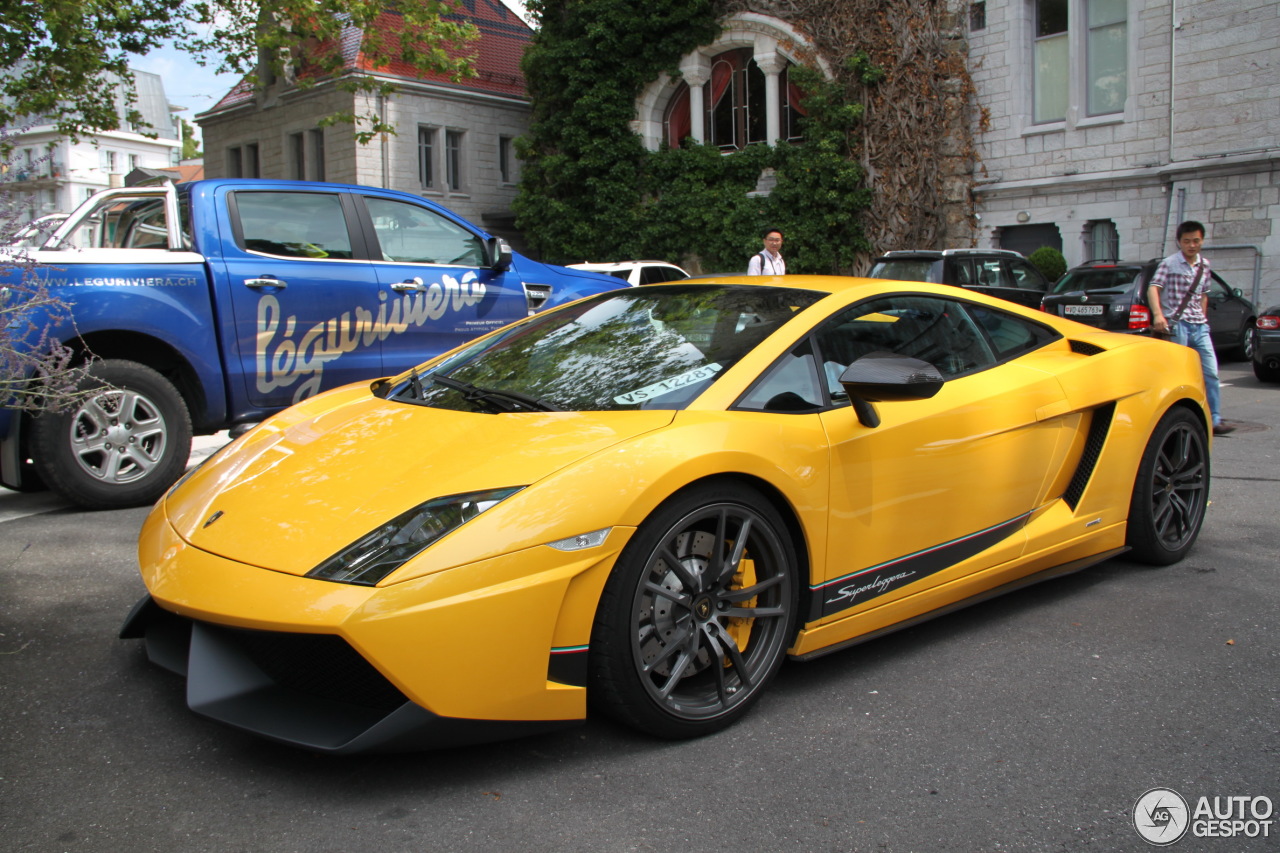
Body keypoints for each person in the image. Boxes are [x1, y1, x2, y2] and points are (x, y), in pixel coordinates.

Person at [1148, 220, 1235, 435]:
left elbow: (1203, 294)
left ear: (1202, 240)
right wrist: (1159, 315)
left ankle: (1214, 419)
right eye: (1187, 241)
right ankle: (1173, 419)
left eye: (1196, 241)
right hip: (1177, 326)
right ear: (1179, 242)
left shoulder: (1204, 265)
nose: (1192, 245)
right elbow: (1153, 288)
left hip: (1199, 326)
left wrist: (1203, 318)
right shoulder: (1169, 263)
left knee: (1211, 372)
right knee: (1179, 375)